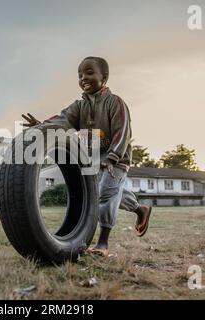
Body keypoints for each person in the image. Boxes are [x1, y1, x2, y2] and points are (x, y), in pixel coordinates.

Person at [22, 56, 152, 257]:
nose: (84, 77)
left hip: (115, 159)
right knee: (109, 191)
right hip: (93, 160)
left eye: (89, 73)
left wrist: (113, 156)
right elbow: (62, 120)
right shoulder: (79, 106)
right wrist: (41, 125)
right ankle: (140, 209)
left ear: (105, 77)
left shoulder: (115, 102)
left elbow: (123, 131)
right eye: (80, 75)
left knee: (105, 194)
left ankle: (102, 243)